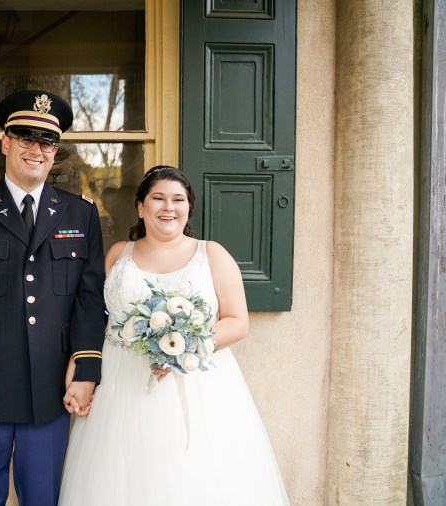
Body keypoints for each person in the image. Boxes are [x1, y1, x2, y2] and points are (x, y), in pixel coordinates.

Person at [59, 166, 289, 505]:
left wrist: (185, 348)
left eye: (178, 200)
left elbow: (237, 321)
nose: (169, 207)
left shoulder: (211, 254)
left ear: (188, 208)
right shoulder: (118, 254)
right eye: (158, 198)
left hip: (197, 384)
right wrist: (80, 369)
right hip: (120, 384)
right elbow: (95, 318)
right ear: (141, 207)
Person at [0, 89, 106, 506]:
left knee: (44, 498)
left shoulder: (81, 213)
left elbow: (89, 299)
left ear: (55, 151)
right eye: (26, 138)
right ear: (5, 143)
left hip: (51, 390)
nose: (36, 150)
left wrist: (86, 370)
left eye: (47, 142)